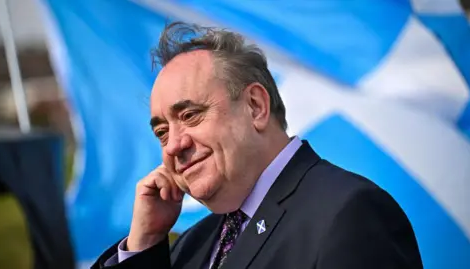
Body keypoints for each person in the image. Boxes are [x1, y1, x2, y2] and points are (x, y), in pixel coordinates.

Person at [92, 22, 423, 269]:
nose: (174, 145)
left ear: (255, 106)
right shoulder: (192, 245)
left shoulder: (349, 214)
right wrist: (143, 245)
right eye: (162, 132)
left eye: (190, 115)